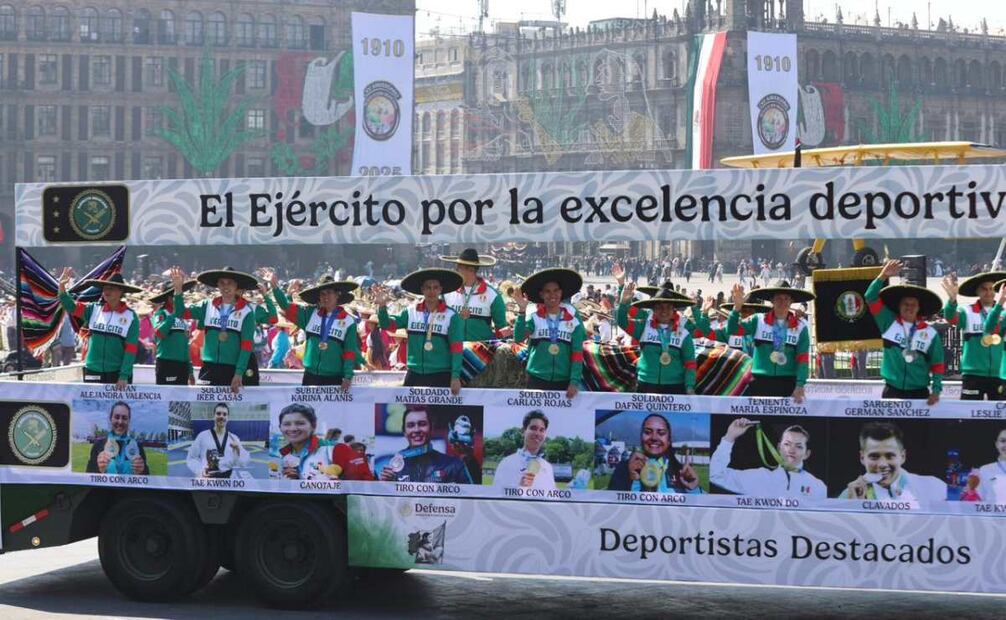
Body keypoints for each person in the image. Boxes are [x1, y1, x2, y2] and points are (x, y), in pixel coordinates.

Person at [866, 260, 943, 404]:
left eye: (913, 304)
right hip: (892, 390)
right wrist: (882, 276)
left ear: (919, 308)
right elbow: (870, 297)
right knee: (890, 428)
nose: (909, 307)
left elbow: (937, 364)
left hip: (920, 393)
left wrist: (937, 390)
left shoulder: (931, 333)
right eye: (905, 304)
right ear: (899, 306)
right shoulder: (888, 322)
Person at [375, 269, 464, 394]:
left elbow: (457, 349)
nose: (431, 291)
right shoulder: (411, 311)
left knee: (438, 414)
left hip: (441, 374)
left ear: (440, 290)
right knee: (409, 412)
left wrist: (455, 377)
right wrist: (382, 307)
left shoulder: (452, 316)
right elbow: (386, 325)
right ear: (422, 290)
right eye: (428, 287)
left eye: (435, 287)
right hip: (414, 373)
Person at [727, 280, 815, 401]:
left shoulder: (801, 327)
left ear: (791, 301)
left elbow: (803, 359)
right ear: (772, 301)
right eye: (778, 298)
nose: (782, 302)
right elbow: (732, 330)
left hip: (788, 382)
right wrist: (736, 308)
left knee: (784, 420)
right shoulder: (757, 320)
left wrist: (800, 385)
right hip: (759, 380)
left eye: (786, 298)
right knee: (758, 420)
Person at [271, 273, 359, 388]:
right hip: (310, 376)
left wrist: (348, 376)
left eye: (329, 292)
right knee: (307, 407)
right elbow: (285, 306)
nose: (325, 296)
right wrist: (275, 288)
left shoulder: (349, 321)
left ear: (338, 294)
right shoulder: (309, 314)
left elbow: (350, 352)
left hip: (334, 377)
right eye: (322, 293)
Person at [58, 270, 144, 388]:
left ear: (121, 292)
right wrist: (62, 287)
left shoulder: (131, 316)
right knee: (92, 406)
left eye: (111, 288)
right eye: (105, 288)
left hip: (117, 373)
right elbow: (70, 306)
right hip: (92, 369)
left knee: (117, 406)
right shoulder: (93, 309)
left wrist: (124, 375)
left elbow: (131, 349)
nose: (106, 291)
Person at [512, 268, 586, 399]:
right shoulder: (533, 317)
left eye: (556, 290)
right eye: (547, 291)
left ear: (561, 292)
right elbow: (518, 338)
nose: (552, 295)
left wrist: (574, 381)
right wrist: (522, 310)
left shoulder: (574, 318)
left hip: (563, 381)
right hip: (536, 378)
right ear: (541, 294)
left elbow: (577, 351)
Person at [184, 267, 261, 393]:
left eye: (229, 283)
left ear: (237, 285)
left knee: (229, 410)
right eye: (222, 283)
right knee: (204, 407)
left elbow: (247, 345)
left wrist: (239, 373)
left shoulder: (247, 311)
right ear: (217, 285)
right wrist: (177, 291)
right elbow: (182, 313)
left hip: (232, 369)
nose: (226, 286)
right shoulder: (206, 305)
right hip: (208, 367)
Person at [710, 419, 826, 498]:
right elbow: (715, 475)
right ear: (778, 448)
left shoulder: (817, 486)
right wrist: (729, 437)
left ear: (807, 454)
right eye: (787, 444)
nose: (791, 450)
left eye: (799, 446)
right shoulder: (759, 477)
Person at [616, 282, 697, 395]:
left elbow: (690, 363)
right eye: (659, 307)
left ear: (674, 309)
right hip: (646, 383)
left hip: (675, 386)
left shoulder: (684, 333)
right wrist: (623, 303)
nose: (664, 311)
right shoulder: (643, 328)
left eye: (668, 307)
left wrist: (689, 386)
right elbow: (622, 322)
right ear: (653, 310)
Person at [838, 421, 947, 502]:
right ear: (862, 458)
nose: (882, 464)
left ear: (902, 456)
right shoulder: (848, 496)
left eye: (890, 456)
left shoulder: (934, 487)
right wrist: (853, 508)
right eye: (874, 456)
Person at [942, 270, 1006, 400]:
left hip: (998, 374)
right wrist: (952, 300)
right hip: (973, 374)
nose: (988, 292)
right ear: (977, 292)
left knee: (1000, 417)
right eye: (984, 289)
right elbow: (951, 318)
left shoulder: (1003, 313)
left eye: (991, 289)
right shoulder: (967, 311)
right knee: (968, 414)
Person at [607, 414, 702, 494]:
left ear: (669, 440)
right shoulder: (624, 468)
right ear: (641, 438)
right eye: (648, 432)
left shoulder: (682, 473)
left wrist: (693, 489)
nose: (654, 437)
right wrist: (631, 480)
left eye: (661, 433)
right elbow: (610, 509)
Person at [378, 406, 473, 484]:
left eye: (422, 424)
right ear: (404, 432)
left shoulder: (452, 465)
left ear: (432, 428)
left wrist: (468, 458)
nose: (416, 430)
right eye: (411, 425)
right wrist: (387, 485)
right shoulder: (395, 468)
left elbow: (470, 496)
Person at [440, 248, 509, 341]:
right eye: (457, 267)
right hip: (451, 351)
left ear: (471, 270)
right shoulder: (447, 292)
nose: (456, 271)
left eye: (459, 268)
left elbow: (501, 329)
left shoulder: (493, 295)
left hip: (479, 353)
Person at [149, 268, 195, 385]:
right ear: (169, 298)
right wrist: (174, 313)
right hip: (166, 363)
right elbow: (160, 333)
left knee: (181, 400)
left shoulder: (184, 318)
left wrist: (190, 371)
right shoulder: (161, 314)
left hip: (182, 366)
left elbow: (186, 345)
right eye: (176, 295)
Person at [491, 410, 556, 490]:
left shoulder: (548, 467)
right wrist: (519, 489)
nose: (537, 434)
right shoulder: (506, 463)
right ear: (523, 431)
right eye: (533, 428)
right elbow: (496, 497)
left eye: (541, 430)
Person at [185, 402, 250, 478]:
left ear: (228, 418)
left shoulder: (234, 438)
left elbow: (243, 463)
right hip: (208, 479)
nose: (221, 416)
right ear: (214, 416)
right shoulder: (202, 436)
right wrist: (200, 470)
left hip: (228, 480)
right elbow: (191, 458)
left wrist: (239, 450)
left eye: (224, 414)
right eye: (218, 413)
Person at [85, 401, 149, 475]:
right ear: (110, 419)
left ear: (129, 421)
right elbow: (88, 478)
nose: (120, 422)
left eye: (124, 418)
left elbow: (147, 479)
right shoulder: (98, 445)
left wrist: (142, 471)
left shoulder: (137, 446)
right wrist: (98, 470)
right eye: (116, 417)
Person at [276, 403, 336, 480]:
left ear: (313, 426)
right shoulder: (281, 455)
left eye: (300, 423)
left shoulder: (330, 450)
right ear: (280, 428)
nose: (293, 429)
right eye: (287, 424)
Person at [976, 428, 1006, 503]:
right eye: (1003, 441)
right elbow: (977, 500)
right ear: (997, 445)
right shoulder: (985, 470)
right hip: (992, 513)